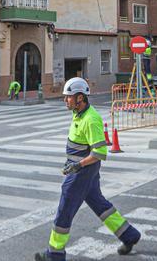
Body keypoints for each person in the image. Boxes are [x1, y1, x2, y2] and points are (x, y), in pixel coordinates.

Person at [35, 77, 141, 261]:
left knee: (64, 210)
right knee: (100, 205)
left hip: (81, 173)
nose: (65, 100)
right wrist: (71, 160)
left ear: (80, 98)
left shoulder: (91, 119)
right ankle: (128, 235)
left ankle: (54, 253)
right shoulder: (79, 113)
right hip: (83, 170)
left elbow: (99, 152)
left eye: (68, 97)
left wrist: (77, 165)